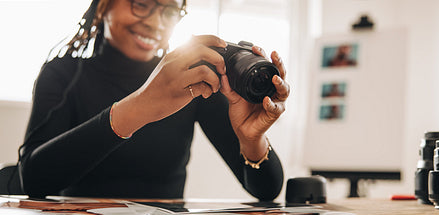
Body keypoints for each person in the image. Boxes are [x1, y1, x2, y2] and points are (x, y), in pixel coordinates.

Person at [18, 0, 289, 201]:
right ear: (103, 6)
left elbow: (267, 191)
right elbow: (32, 180)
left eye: (169, 11)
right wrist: (140, 107)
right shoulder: (63, 74)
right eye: (141, 3)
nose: (156, 22)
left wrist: (253, 140)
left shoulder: (192, 78)